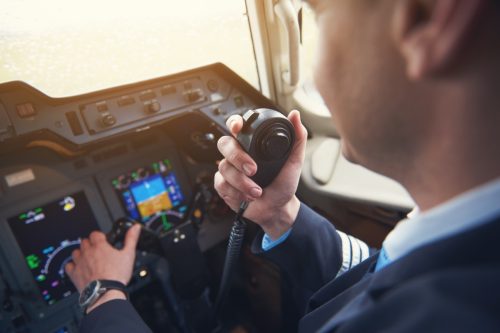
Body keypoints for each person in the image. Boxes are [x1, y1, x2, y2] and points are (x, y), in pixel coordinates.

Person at [66, 0, 500, 331]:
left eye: (319, 15)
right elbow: (378, 271)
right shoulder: (458, 244)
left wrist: (102, 296)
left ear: (430, 18)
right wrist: (281, 214)